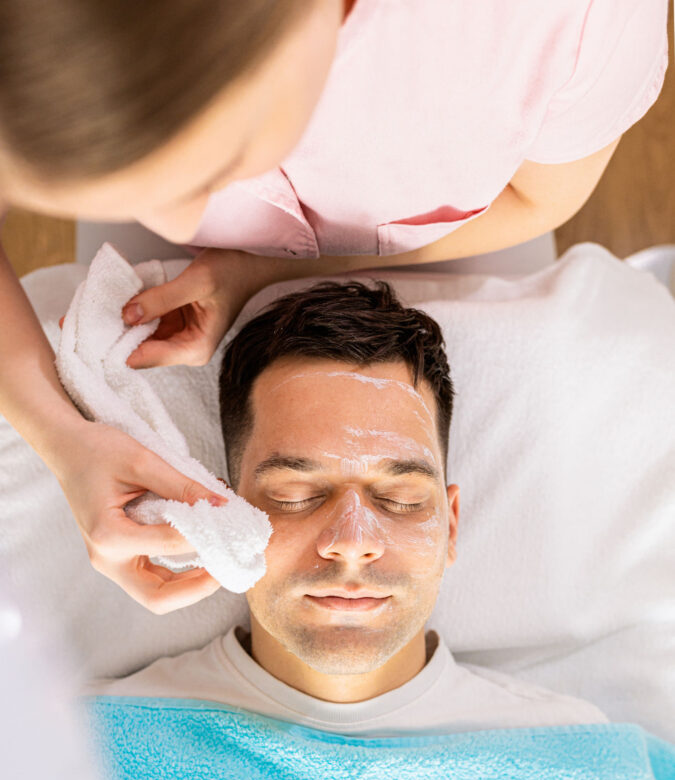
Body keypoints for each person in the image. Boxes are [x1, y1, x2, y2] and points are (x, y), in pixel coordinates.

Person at [0, 0, 669, 611]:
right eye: (293, 492)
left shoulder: (564, 20)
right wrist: (59, 435)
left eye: (212, 172)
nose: (172, 228)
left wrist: (265, 269)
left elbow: (538, 199)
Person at [85, 280, 607, 728]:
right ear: (223, 518)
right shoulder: (85, 746)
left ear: (450, 526)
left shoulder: (573, 756)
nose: (352, 544)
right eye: (297, 495)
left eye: (400, 499)